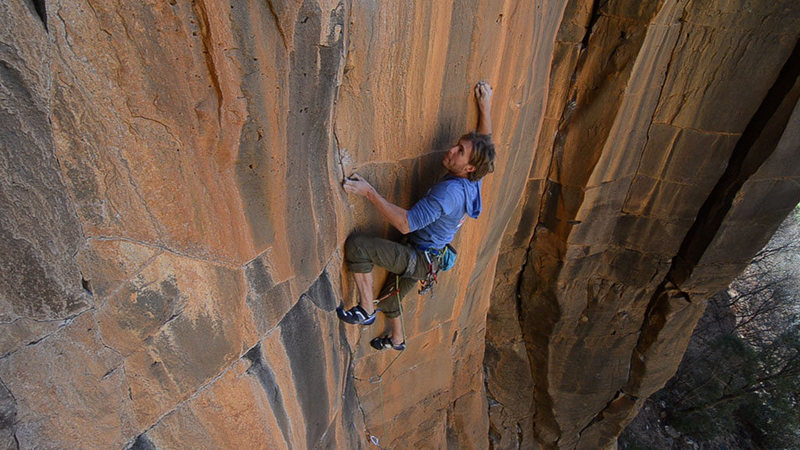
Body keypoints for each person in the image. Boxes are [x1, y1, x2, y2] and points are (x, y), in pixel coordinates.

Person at [338, 81, 495, 351]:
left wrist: (369, 193)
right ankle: (397, 339)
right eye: (457, 145)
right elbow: (485, 139)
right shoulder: (475, 178)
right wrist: (485, 105)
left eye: (459, 151)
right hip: (429, 255)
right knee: (390, 299)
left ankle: (365, 310)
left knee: (358, 247)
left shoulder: (450, 194)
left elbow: (405, 223)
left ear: (468, 167)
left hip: (419, 256)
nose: (451, 150)